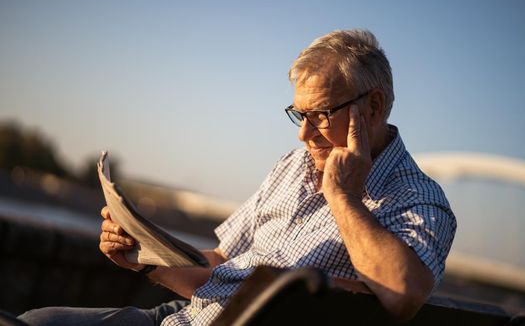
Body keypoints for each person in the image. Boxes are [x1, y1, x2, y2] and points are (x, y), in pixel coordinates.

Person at [19, 29, 456, 325]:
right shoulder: (293, 164)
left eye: (320, 115)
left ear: (374, 107)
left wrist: (343, 198)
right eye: (298, 115)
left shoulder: (418, 199)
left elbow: (403, 292)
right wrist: (145, 258)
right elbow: (220, 262)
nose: (304, 134)